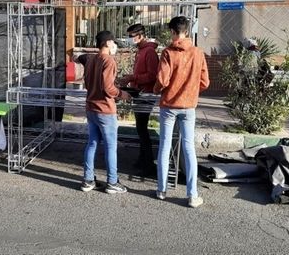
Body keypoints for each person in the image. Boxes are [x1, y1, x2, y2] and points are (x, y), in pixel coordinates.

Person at [153, 16, 209, 208]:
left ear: (173, 31)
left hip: (169, 106)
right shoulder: (198, 52)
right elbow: (205, 82)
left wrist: (155, 90)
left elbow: (162, 80)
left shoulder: (168, 52)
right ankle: (192, 195)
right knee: (188, 148)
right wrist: (191, 90)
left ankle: (161, 190)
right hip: (189, 107)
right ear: (186, 31)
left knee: (165, 146)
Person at [81, 30, 131, 194]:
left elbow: (88, 84)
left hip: (91, 107)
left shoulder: (91, 60)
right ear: (108, 43)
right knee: (111, 147)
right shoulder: (108, 61)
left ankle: (88, 180)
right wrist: (123, 94)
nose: (115, 45)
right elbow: (108, 88)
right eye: (113, 42)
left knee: (92, 143)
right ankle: (112, 182)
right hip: (105, 110)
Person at [118, 23, 159, 177]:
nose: (129, 40)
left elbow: (152, 76)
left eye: (131, 36)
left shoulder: (149, 52)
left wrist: (132, 77)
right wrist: (129, 80)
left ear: (140, 36)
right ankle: (143, 159)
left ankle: (148, 163)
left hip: (146, 95)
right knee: (140, 129)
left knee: (142, 129)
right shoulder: (141, 51)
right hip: (139, 93)